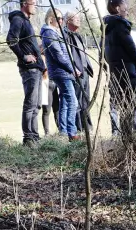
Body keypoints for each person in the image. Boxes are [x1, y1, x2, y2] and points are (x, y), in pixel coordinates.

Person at [103, 0, 136, 138]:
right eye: (125, 7)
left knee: (123, 104)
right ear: (117, 8)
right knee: (131, 103)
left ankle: (127, 136)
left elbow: (105, 53)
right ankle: (134, 138)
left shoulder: (106, 27)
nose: (127, 10)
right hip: (127, 71)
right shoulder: (119, 25)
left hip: (116, 71)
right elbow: (131, 48)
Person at [6, 0, 46, 145]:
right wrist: (24, 56)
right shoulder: (18, 19)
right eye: (33, 3)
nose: (35, 5)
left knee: (37, 104)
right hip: (29, 69)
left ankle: (34, 136)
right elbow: (11, 40)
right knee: (31, 103)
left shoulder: (26, 21)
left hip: (36, 68)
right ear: (24, 3)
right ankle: (28, 138)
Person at [42, 10, 80, 140]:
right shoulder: (49, 33)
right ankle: (72, 133)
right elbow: (58, 55)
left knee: (64, 102)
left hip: (63, 72)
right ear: (50, 19)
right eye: (58, 18)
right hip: (61, 72)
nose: (61, 21)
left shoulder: (54, 32)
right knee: (72, 102)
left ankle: (64, 131)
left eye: (61, 18)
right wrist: (72, 69)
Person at [64, 13, 96, 137]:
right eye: (75, 18)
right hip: (76, 73)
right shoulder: (65, 35)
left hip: (85, 72)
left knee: (85, 101)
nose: (79, 20)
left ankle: (87, 127)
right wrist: (73, 69)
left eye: (79, 18)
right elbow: (66, 55)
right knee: (77, 102)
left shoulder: (78, 35)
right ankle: (78, 129)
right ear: (68, 21)